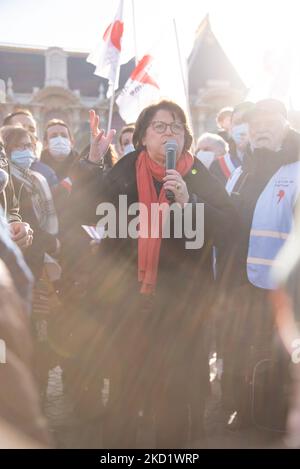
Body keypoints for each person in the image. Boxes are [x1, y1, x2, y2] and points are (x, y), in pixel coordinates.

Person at [85, 100, 236, 448]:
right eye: (160, 126)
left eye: (177, 127)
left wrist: (190, 203)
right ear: (142, 137)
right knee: (125, 389)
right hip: (129, 300)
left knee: (179, 395)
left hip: (181, 304)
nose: (170, 133)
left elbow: (228, 226)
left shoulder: (196, 172)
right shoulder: (125, 167)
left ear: (186, 137)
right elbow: (88, 209)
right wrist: (93, 161)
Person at [220, 99, 300, 430]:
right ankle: (244, 411)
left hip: (284, 291)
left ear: (286, 125)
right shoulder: (239, 174)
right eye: (254, 124)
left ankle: (277, 421)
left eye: (270, 120)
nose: (261, 127)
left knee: (280, 361)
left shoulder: (297, 170)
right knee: (241, 355)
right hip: (239, 287)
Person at [210, 102, 254, 185]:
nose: (243, 128)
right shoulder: (218, 166)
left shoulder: (270, 163)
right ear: (231, 127)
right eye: (237, 122)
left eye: (248, 122)